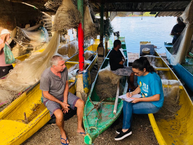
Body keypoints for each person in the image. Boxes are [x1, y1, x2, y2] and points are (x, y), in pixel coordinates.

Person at [114, 57, 164, 141]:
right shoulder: (141, 74)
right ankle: (126, 127)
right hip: (145, 97)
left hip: (155, 104)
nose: (135, 74)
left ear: (144, 69)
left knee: (127, 107)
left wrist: (139, 100)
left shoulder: (153, 78)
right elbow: (140, 87)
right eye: (134, 72)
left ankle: (126, 129)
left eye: (137, 73)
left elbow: (157, 97)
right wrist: (132, 93)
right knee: (126, 102)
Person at [40, 55, 85, 145]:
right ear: (54, 66)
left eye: (64, 64)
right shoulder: (46, 76)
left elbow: (66, 84)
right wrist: (61, 103)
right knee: (59, 115)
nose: (64, 66)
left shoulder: (64, 70)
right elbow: (46, 94)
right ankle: (62, 133)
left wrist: (65, 101)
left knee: (81, 103)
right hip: (50, 98)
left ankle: (79, 127)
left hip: (62, 94)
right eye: (62, 65)